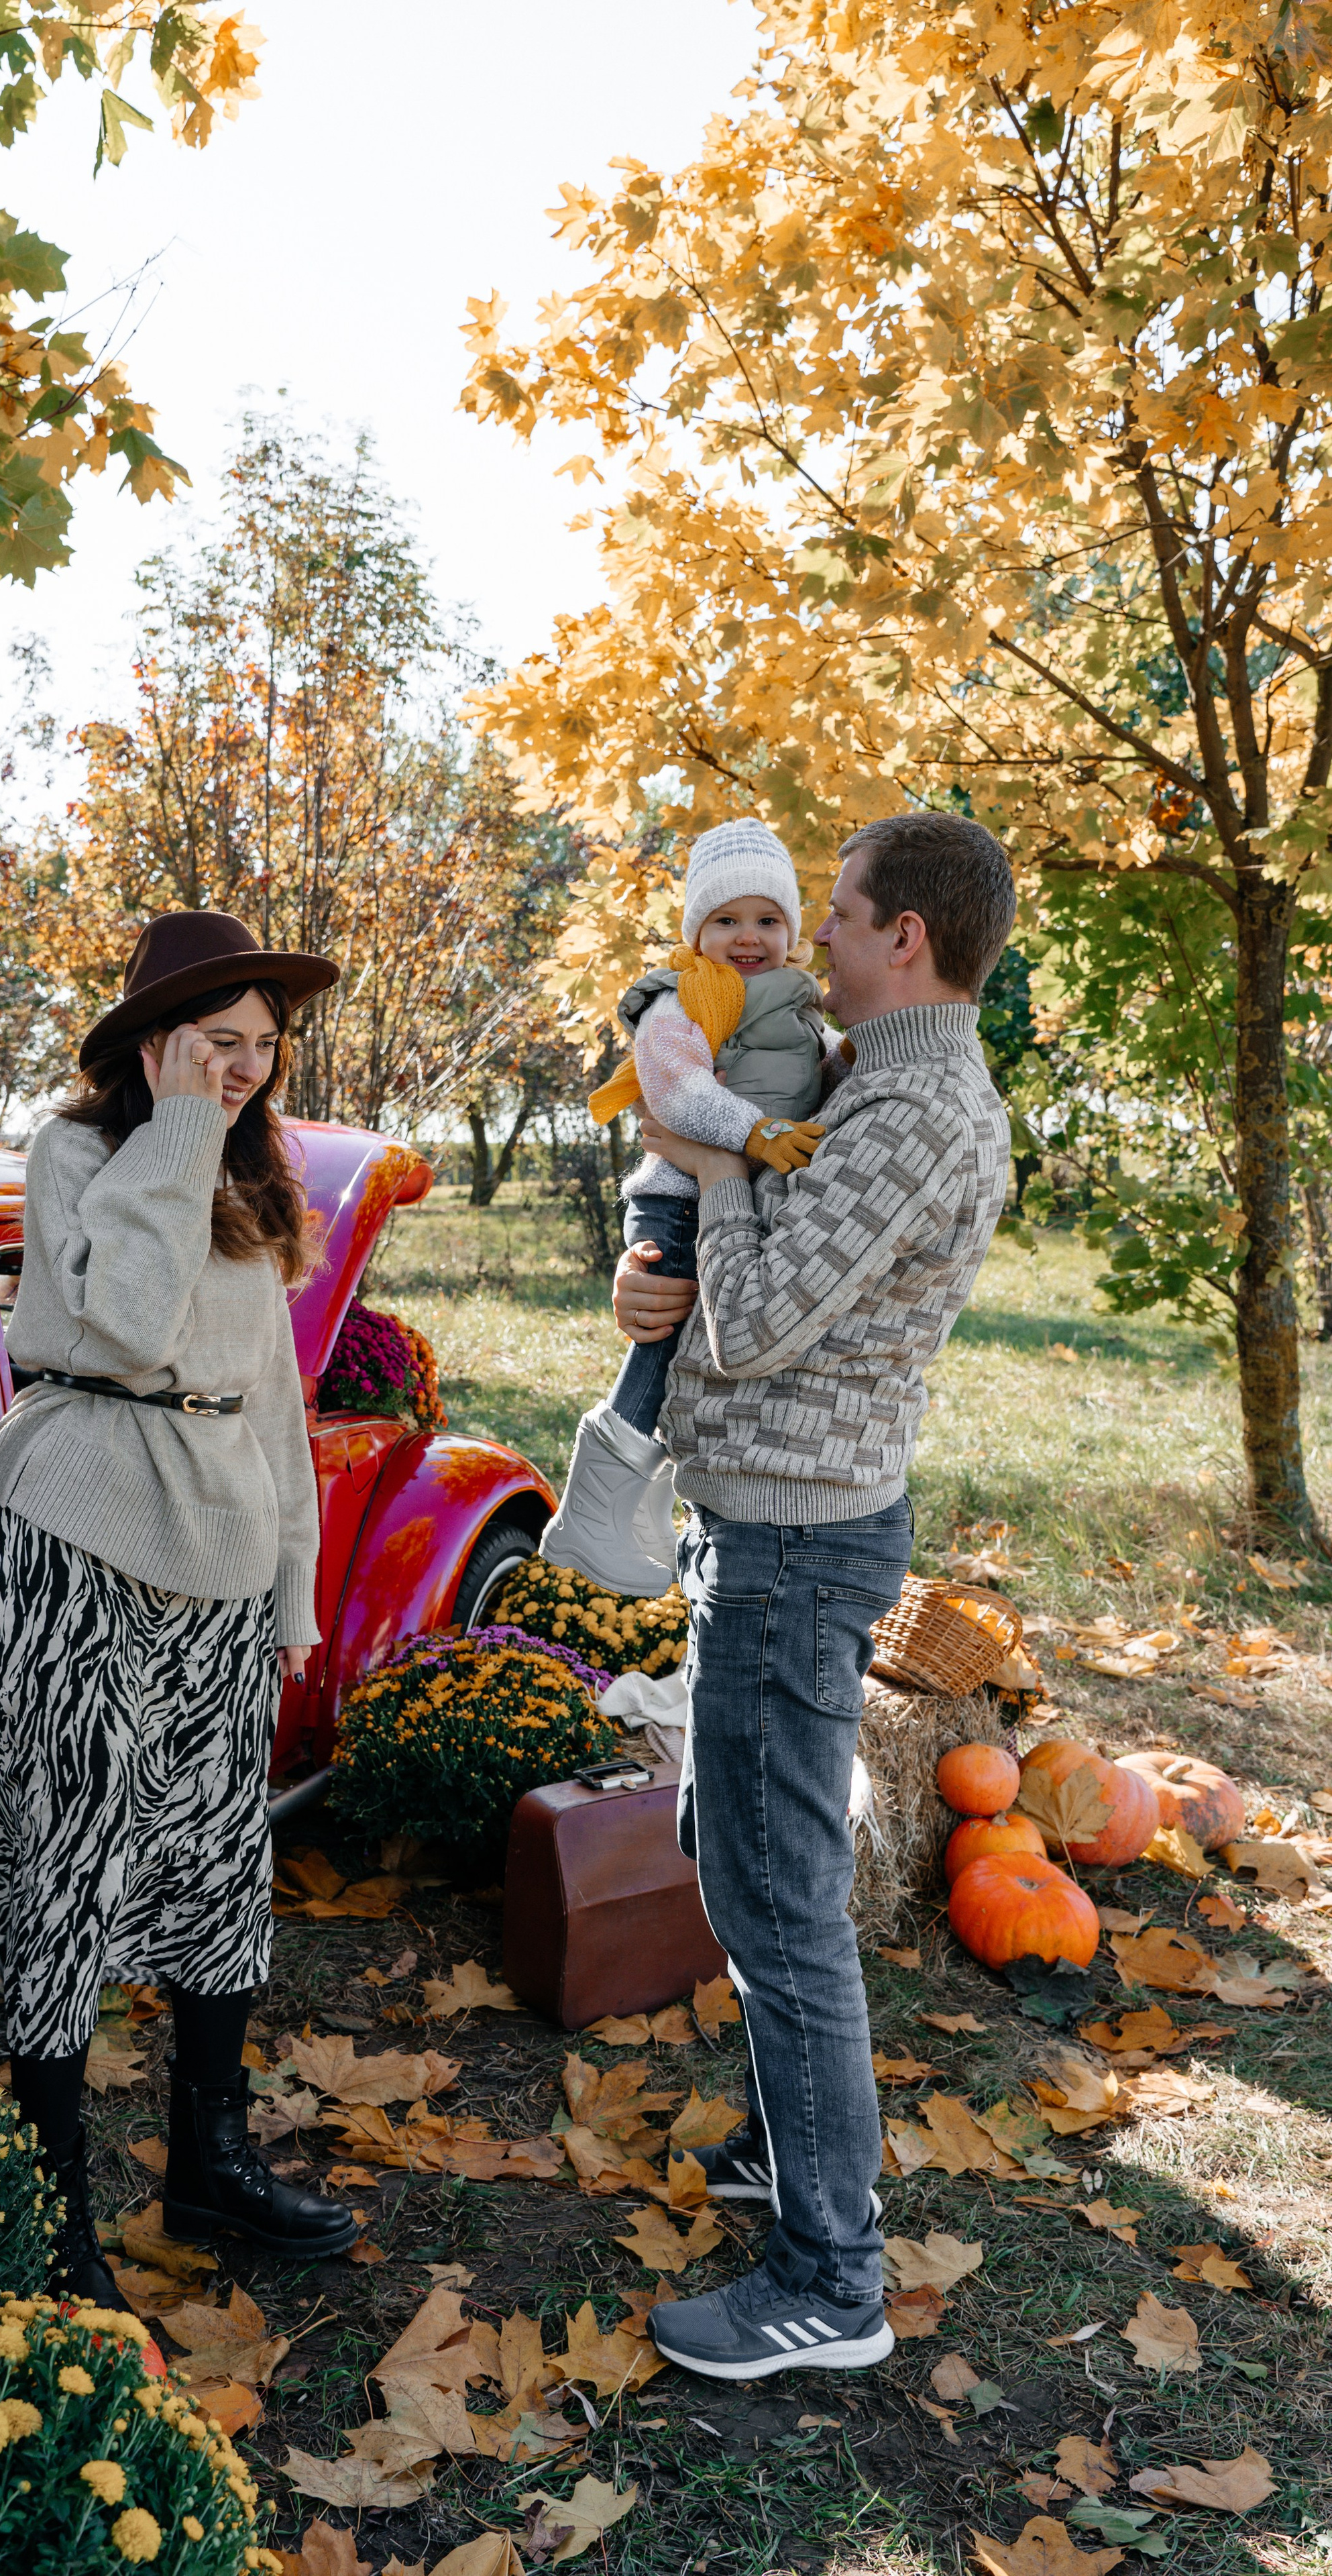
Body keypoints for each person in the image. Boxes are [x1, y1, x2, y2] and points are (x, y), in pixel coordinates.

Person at [0, 910, 360, 2309]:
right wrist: (176, 1124)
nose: (246, 1072)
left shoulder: (249, 1171)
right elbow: (132, 1326)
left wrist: (293, 1588)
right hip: (84, 1517)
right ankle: (49, 2205)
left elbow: (272, 1393)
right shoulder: (81, 1151)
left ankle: (206, 2163)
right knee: (68, 1866)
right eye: (219, 1045)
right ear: (152, 1046)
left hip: (217, 1535)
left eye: (264, 1048)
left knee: (216, 1855)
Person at [611, 812, 1016, 2383]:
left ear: (902, 935)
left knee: (777, 1900)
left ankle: (825, 2277)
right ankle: (796, 2150)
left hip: (794, 1538)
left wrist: (703, 1148)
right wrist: (660, 1272)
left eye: (836, 915)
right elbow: (751, 1271)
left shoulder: (914, 1110)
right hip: (765, 1517)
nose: (813, 940)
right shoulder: (868, 1084)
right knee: (731, 1842)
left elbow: (766, 1310)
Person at [539, 820, 835, 1597]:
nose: (748, 937)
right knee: (661, 1345)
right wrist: (754, 1133)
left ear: (791, 933)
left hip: (737, 1197)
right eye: (726, 920)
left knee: (697, 1355)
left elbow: (826, 1070)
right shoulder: (683, 998)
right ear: (696, 930)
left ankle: (636, 1512)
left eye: (767, 920)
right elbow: (675, 1089)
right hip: (676, 1202)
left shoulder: (800, 1006)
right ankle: (586, 1516)